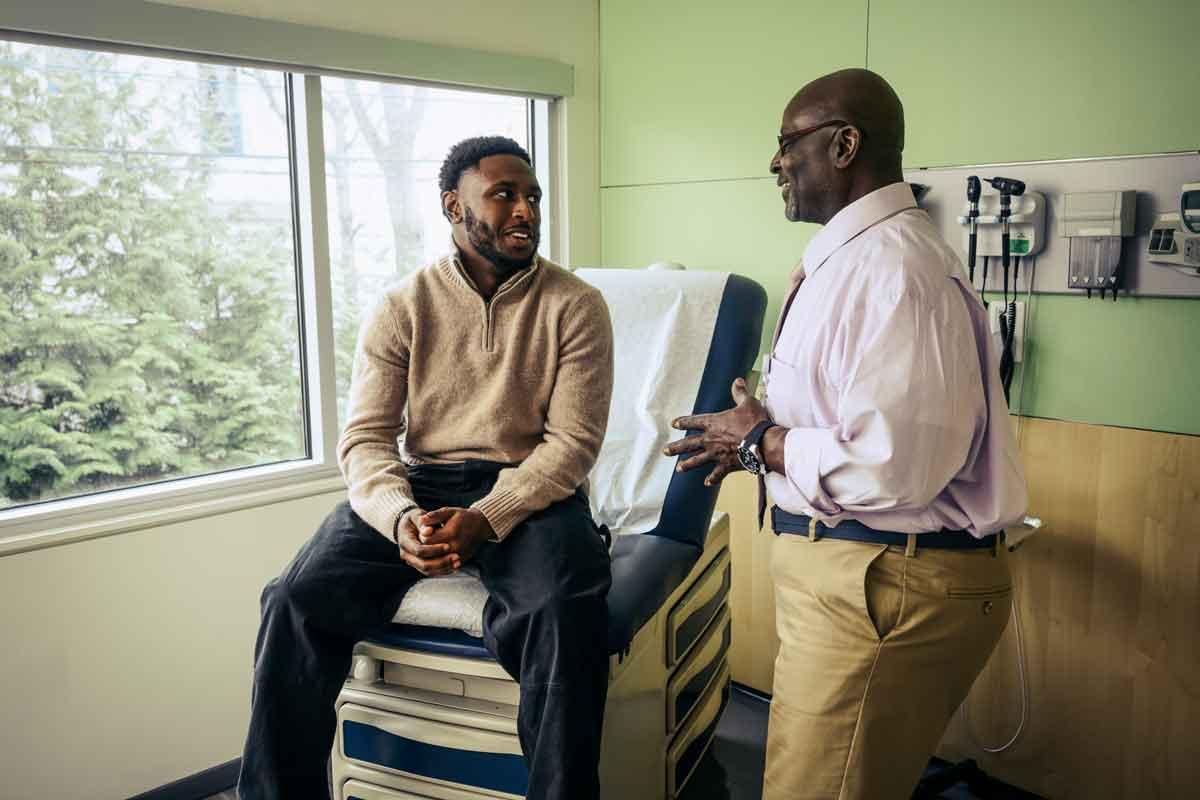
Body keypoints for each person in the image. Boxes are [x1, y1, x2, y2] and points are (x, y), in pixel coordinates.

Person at [663, 69, 1027, 799]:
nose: (775, 163)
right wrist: (756, 433)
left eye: (786, 142)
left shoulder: (896, 270)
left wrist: (762, 439)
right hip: (859, 573)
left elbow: (894, 465)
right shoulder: (853, 260)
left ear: (845, 144)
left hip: (881, 584)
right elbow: (853, 415)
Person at [238, 136, 615, 800]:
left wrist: (487, 518)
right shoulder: (402, 305)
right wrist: (400, 518)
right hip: (421, 485)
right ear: (453, 205)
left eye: (532, 197)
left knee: (562, 611)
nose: (525, 210)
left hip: (531, 490)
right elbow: (365, 443)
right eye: (504, 195)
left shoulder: (576, 305)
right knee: (293, 600)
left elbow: (572, 447)